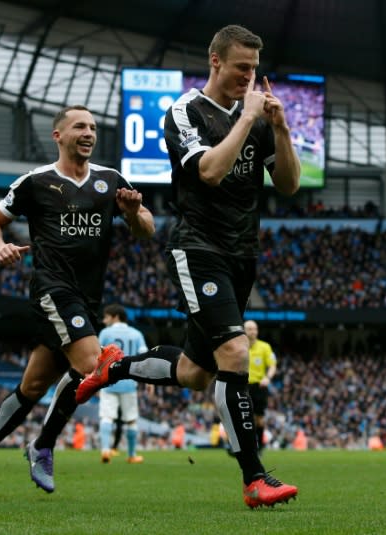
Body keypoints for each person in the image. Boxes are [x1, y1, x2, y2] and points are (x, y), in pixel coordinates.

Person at [77, 25, 300, 509]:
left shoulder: (260, 119)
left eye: (255, 69)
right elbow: (210, 171)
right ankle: (254, 479)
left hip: (244, 254)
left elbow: (288, 184)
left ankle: (116, 367)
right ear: (215, 61)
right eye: (242, 67)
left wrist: (279, 129)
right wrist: (247, 119)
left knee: (197, 373)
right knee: (236, 353)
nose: (250, 76)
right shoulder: (184, 112)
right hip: (198, 248)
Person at [0, 105, 155, 496]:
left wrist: (133, 214)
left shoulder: (110, 180)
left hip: (88, 298)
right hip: (53, 289)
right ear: (58, 135)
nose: (89, 132)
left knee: (32, 387)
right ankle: (44, 445)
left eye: (94, 127)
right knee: (89, 364)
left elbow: (145, 229)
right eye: (80, 126)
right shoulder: (36, 182)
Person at [97, 304, 148, 464]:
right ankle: (132, 455)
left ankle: (105, 450)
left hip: (107, 382)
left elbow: (97, 358)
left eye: (106, 317)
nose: (104, 321)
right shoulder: (137, 334)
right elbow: (144, 358)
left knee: (107, 417)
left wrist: (95, 382)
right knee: (131, 419)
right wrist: (148, 381)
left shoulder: (105, 333)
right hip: (128, 382)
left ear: (115, 316)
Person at [244, 320, 277, 452]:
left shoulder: (265, 347)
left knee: (259, 418)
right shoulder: (239, 346)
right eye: (250, 329)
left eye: (255, 329)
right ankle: (246, 446)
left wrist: (267, 378)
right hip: (242, 385)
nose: (253, 331)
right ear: (244, 331)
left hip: (259, 386)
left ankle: (260, 446)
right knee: (245, 417)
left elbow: (272, 365)